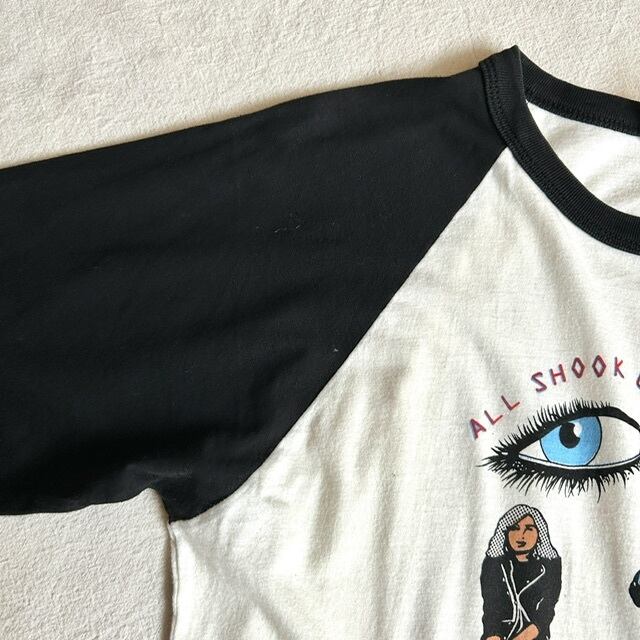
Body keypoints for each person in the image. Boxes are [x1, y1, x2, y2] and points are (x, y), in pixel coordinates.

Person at [480, 504, 562, 640]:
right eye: (514, 528)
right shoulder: (494, 565)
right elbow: (491, 608)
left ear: (539, 534)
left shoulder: (549, 566)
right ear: (505, 532)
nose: (521, 536)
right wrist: (493, 636)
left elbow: (545, 611)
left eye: (529, 529)